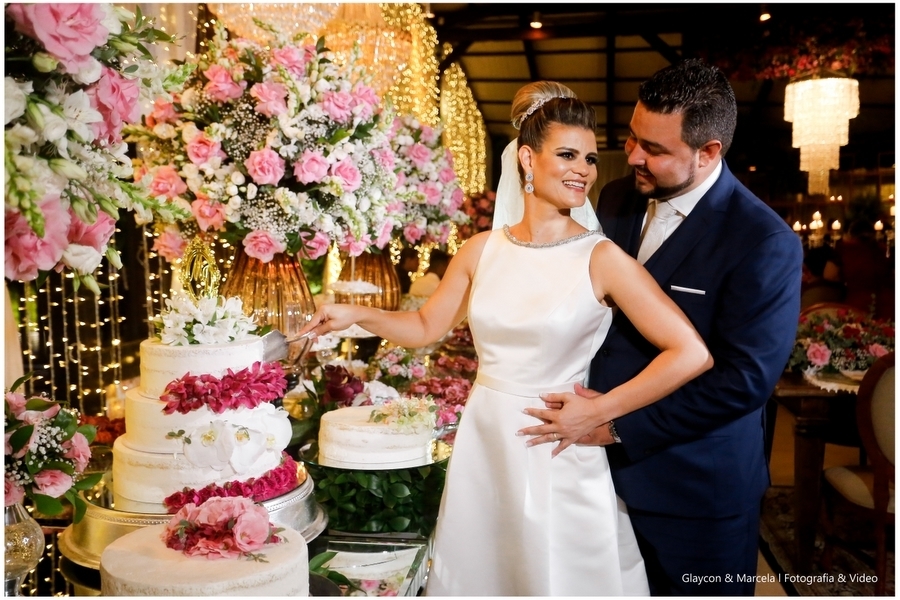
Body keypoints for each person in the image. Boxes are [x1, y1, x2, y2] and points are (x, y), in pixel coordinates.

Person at [297, 80, 712, 595]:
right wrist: (356, 314)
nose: (582, 170)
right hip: (485, 440)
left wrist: (602, 410)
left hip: (554, 442)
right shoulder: (480, 249)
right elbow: (426, 327)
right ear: (526, 160)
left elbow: (689, 353)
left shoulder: (602, 258)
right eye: (566, 154)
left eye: (588, 158)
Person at [525, 60, 804, 595]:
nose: (632, 157)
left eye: (653, 149)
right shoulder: (616, 199)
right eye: (632, 138)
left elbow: (743, 381)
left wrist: (617, 425)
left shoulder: (764, 242)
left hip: (696, 491)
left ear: (709, 153)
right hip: (596, 476)